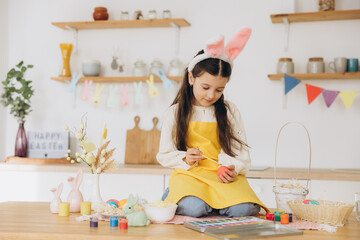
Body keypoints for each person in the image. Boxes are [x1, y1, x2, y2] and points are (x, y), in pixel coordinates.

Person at [156, 28, 269, 218]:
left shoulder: (230, 111)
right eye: (206, 87)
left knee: (245, 210)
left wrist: (232, 169)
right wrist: (185, 157)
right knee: (194, 209)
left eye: (219, 90)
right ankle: (177, 195)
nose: (211, 95)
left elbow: (241, 154)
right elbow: (164, 154)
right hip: (190, 176)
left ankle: (212, 203)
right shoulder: (174, 113)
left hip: (221, 178)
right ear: (191, 78)